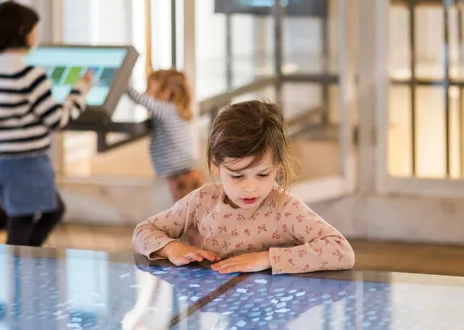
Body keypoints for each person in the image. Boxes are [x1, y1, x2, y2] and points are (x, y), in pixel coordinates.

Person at [132, 100, 356, 275]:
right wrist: (172, 248)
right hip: (220, 310)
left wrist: (267, 259)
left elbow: (342, 252)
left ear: (277, 167)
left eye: (262, 174)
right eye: (237, 176)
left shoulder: (285, 209)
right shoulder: (202, 200)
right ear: (216, 166)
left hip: (274, 310)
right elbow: (143, 231)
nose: (250, 188)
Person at [0, 0, 93, 247]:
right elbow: (56, 119)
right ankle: (19, 267)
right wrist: (80, 91)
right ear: (22, 31)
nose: (36, 35)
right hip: (27, 161)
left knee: (39, 212)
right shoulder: (30, 74)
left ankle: (25, 260)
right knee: (31, 218)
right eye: (34, 29)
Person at [125, 69, 203, 202]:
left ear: (167, 92)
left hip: (176, 170)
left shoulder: (167, 110)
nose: (147, 93)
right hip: (182, 166)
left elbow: (143, 100)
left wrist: (124, 86)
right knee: (186, 203)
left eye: (151, 90)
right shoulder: (177, 110)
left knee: (178, 202)